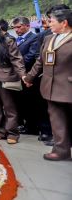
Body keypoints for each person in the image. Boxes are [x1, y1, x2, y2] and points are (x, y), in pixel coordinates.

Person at [24, 9, 72, 161]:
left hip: (68, 86)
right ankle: (61, 150)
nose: (48, 23)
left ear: (64, 23)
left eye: (51, 21)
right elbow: (40, 61)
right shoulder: (49, 38)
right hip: (50, 87)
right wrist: (29, 77)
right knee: (57, 121)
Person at [11, 16, 39, 135]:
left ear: (27, 26)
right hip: (18, 76)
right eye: (14, 28)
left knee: (31, 102)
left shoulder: (34, 38)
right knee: (21, 102)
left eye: (19, 27)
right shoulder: (16, 40)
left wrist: (17, 65)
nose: (16, 30)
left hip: (29, 74)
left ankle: (33, 127)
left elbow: (31, 56)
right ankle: (26, 125)